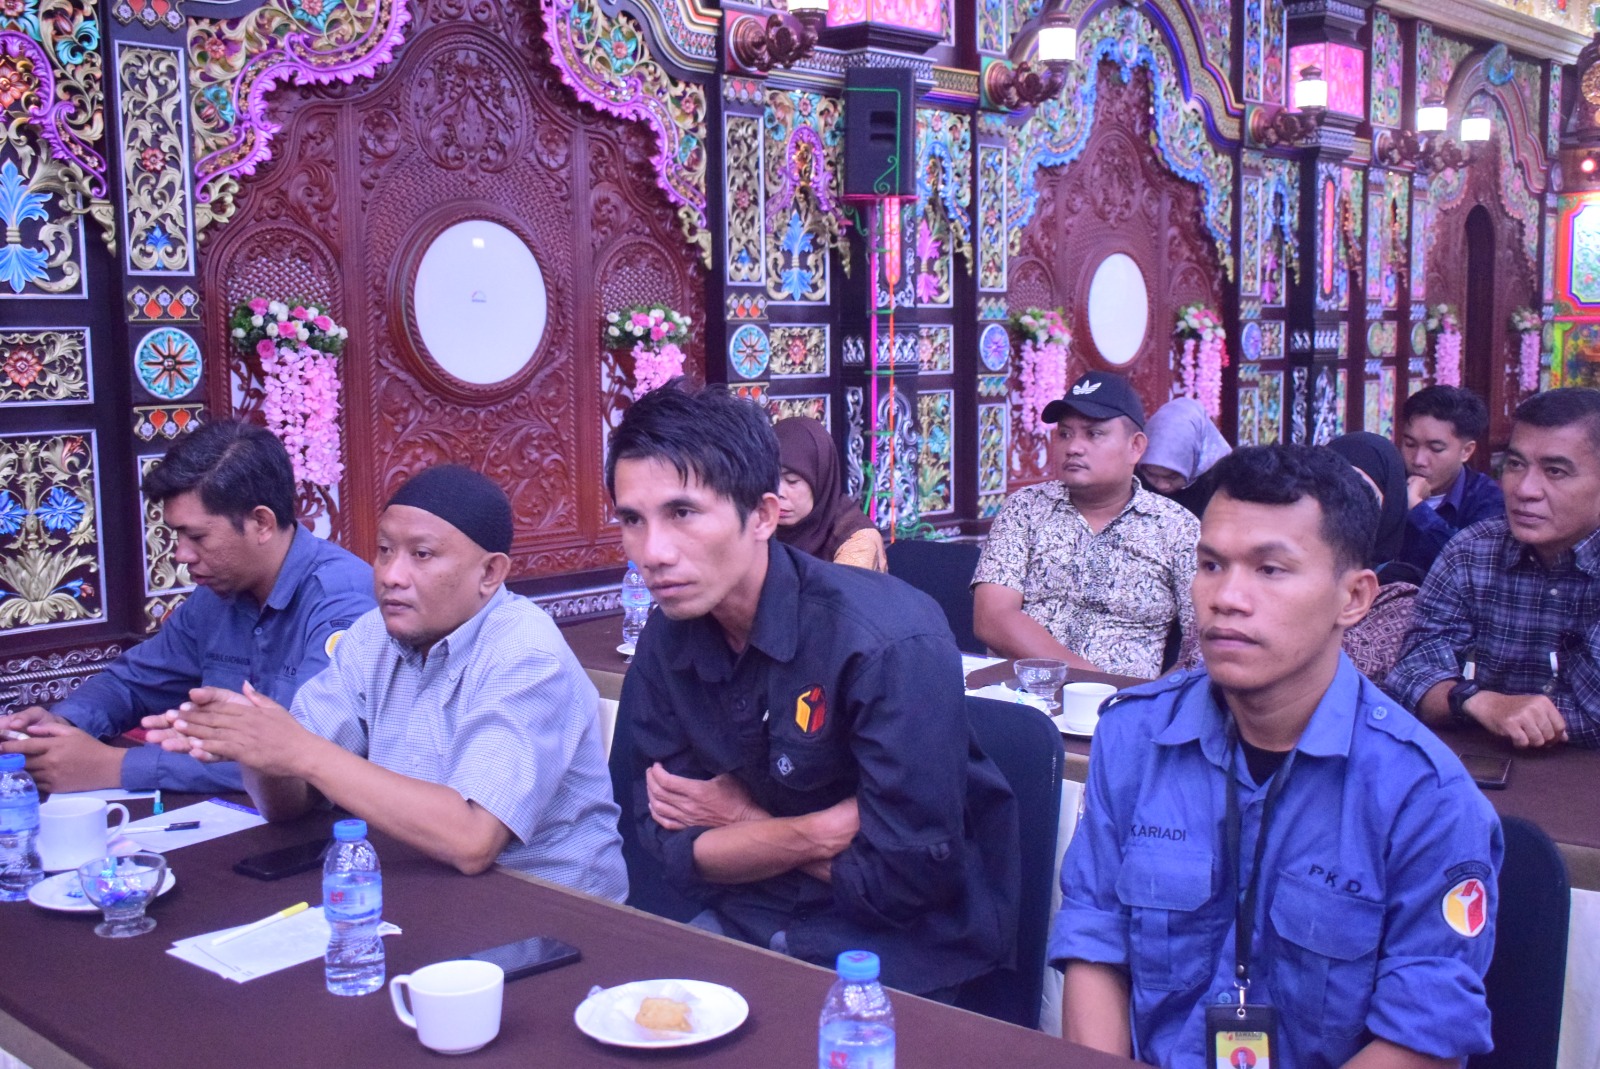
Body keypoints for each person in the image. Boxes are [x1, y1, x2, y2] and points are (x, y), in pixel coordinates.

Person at [1052, 444, 1501, 1069]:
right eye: (1211, 564)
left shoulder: (1424, 797)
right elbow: (1094, 945)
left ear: (1355, 598)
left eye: (1270, 570)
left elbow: (1422, 1038)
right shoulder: (1135, 739)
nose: (1226, 597)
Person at [608, 383, 1018, 998]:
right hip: (743, 922)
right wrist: (819, 832)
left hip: (901, 954)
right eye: (633, 521)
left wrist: (743, 820)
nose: (653, 553)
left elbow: (904, 880)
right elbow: (672, 846)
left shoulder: (884, 641)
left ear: (764, 516)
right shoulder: (668, 643)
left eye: (683, 513)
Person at [147, 465, 627, 898]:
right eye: (383, 551)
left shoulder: (526, 654)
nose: (392, 576)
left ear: (489, 573)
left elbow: (472, 839)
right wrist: (257, 748)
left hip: (547, 907)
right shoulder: (372, 635)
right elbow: (290, 805)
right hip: (417, 886)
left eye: (422, 555)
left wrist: (300, 750)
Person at [0, 420, 372, 794]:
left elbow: (303, 757)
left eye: (197, 536)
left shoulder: (342, 601)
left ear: (261, 522)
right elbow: (132, 683)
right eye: (176, 535)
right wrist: (60, 728)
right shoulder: (216, 596)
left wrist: (115, 767)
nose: (181, 555)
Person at [1388, 387, 1600, 749]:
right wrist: (1477, 701)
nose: (1525, 489)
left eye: (1556, 471)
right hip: (1486, 778)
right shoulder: (1472, 551)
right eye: (1516, 465)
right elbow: (1410, 672)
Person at [972, 371, 1199, 677]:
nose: (1073, 447)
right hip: (1023, 700)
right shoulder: (1025, 508)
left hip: (1122, 714)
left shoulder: (1177, 528)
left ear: (1136, 446)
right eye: (1065, 433)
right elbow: (993, 617)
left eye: (1093, 434)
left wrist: (1150, 706)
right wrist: (1092, 685)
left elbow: (1203, 644)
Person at [1397, 386, 1503, 578]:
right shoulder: (1387, 483)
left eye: (1435, 448)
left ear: (1466, 451)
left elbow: (1472, 565)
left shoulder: (1487, 499)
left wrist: (1417, 509)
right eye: (1410, 444)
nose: (1419, 460)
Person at [772, 416, 885, 571]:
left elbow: (845, 593)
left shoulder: (856, 539)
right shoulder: (757, 524)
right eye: (770, 479)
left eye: (791, 481)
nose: (778, 493)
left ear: (820, 479)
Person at [1137, 398, 1231, 518]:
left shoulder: (1222, 483)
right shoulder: (1133, 482)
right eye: (1151, 475)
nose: (1162, 485)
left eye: (1173, 476)